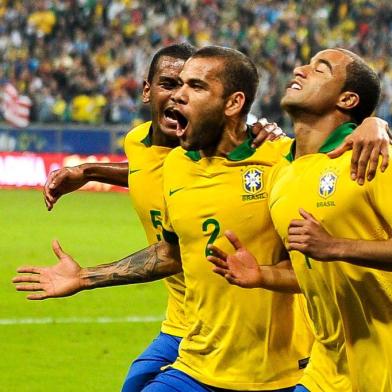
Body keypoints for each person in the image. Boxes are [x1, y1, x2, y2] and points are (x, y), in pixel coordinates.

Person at [13, 45, 389, 392]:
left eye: (194, 85)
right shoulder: (173, 164)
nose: (178, 94)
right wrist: (84, 276)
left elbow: (310, 259)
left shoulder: (282, 162)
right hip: (199, 356)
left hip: (284, 367)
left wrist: (375, 125)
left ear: (233, 103)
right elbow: (174, 251)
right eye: (174, 84)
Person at [208, 48, 392, 391]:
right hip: (327, 367)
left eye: (320, 69)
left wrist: (336, 246)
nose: (300, 68)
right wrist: (261, 274)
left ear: (348, 99)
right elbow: (313, 272)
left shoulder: (372, 157)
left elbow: (328, 252)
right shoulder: (283, 172)